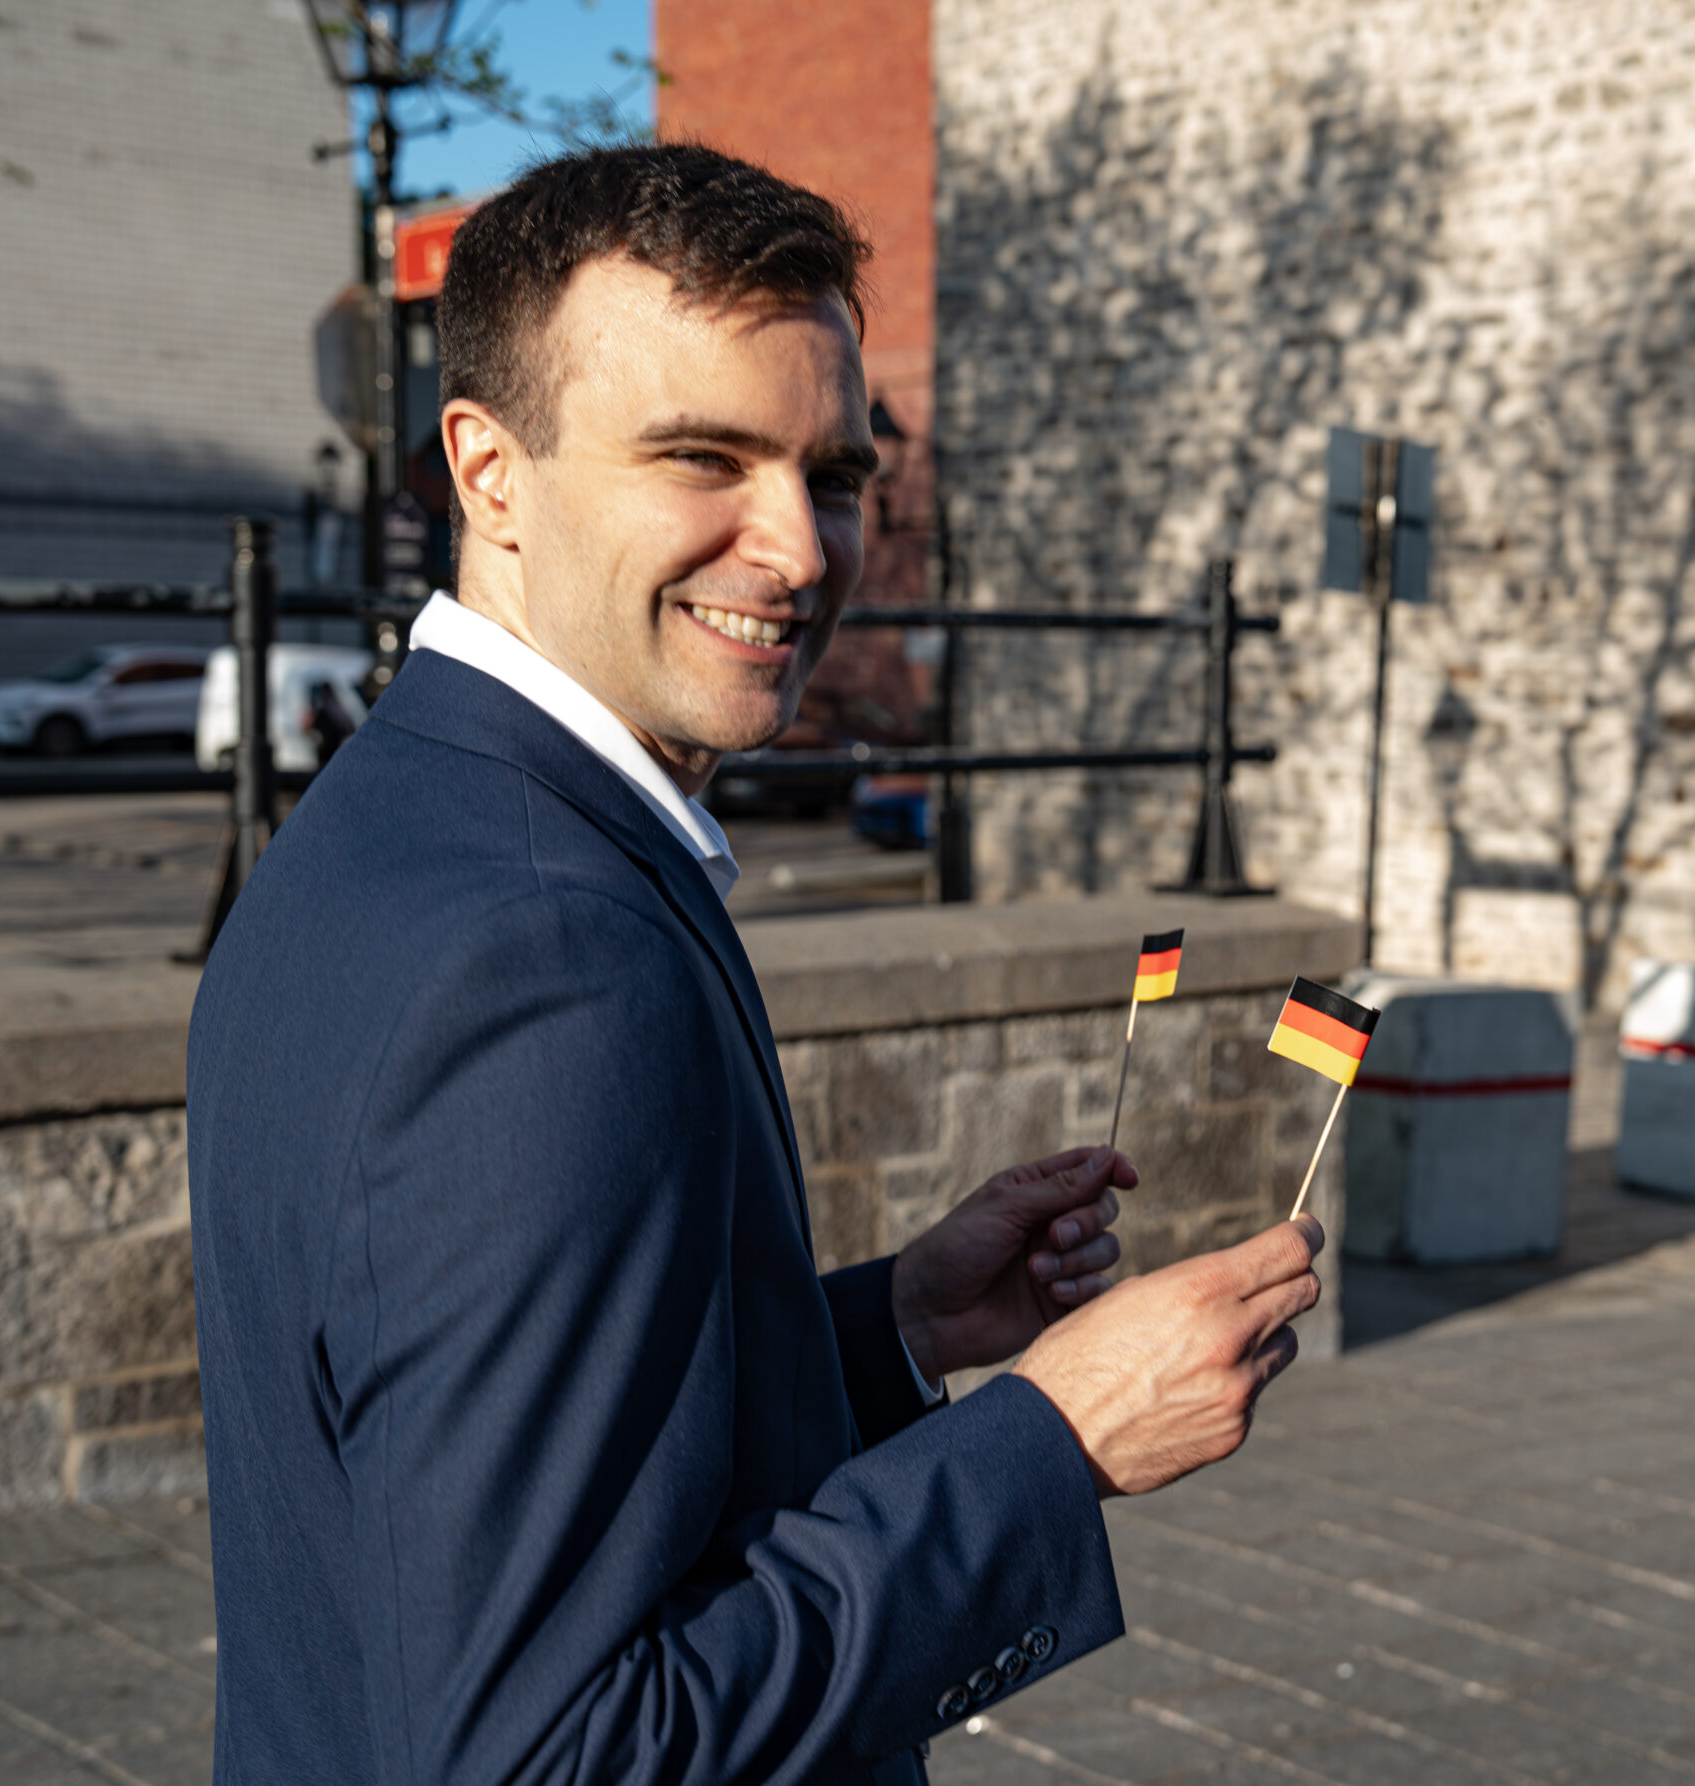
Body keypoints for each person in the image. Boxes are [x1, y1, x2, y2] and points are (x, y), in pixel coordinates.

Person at [186, 144, 1323, 1786]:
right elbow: (552, 1751)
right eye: (702, 456)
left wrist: (893, 1327)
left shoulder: (390, 811)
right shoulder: (547, 959)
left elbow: (454, 1463)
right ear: (489, 472)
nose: (797, 546)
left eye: (833, 471)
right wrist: (1053, 1438)